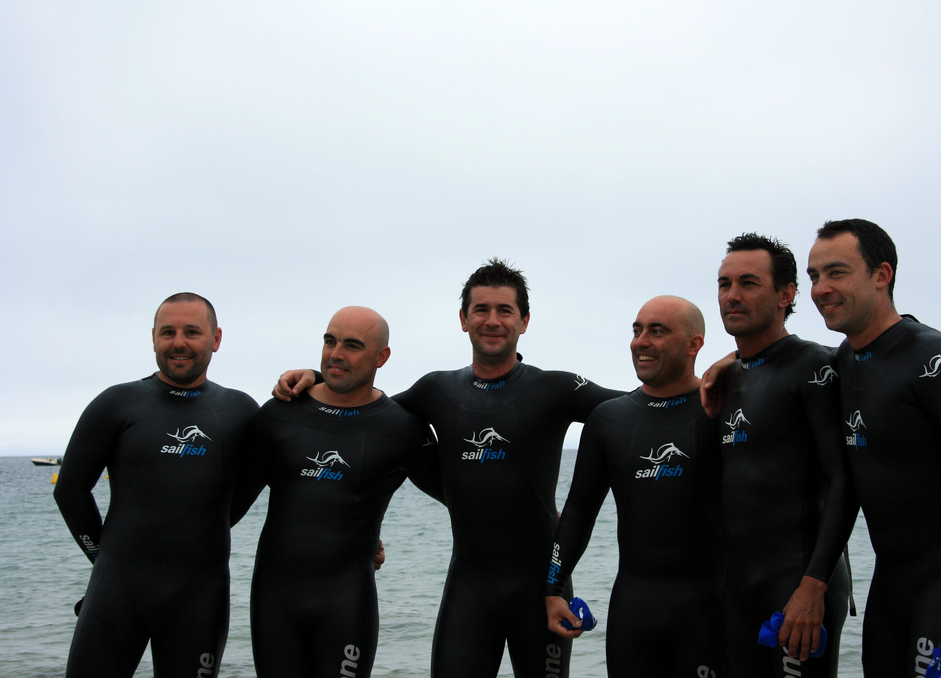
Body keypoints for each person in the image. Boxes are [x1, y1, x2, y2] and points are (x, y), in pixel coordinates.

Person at [275, 259, 624, 678]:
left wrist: (709, 379)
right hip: (469, 590)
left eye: (505, 310)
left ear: (525, 321)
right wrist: (317, 375)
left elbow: (636, 410)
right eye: (480, 309)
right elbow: (364, 411)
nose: (492, 320)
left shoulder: (555, 388)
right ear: (463, 319)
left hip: (542, 587)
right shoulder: (436, 389)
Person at [806, 219, 941, 677]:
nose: (821, 288)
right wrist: (729, 361)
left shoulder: (933, 359)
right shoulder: (844, 361)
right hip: (892, 583)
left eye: (836, 272)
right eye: (814, 276)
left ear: (882, 275)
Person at [53, 293, 259, 678]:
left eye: (192, 332)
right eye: (168, 332)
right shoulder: (117, 403)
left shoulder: (240, 412)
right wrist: (102, 559)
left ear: (215, 339)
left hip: (200, 597)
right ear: (153, 338)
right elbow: (70, 491)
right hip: (116, 590)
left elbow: (287, 468)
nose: (178, 342)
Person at [231, 306, 444, 677]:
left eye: (352, 345)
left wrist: (539, 520)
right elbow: (224, 510)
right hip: (274, 604)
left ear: (382, 357)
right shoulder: (280, 415)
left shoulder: (401, 429)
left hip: (348, 605)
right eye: (330, 341)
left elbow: (467, 499)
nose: (335, 354)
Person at [543, 296, 726, 677]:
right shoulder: (609, 420)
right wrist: (553, 589)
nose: (640, 341)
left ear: (694, 345)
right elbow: (578, 512)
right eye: (637, 330)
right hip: (632, 612)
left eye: (657, 331)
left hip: (709, 610)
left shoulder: (719, 411)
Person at [712, 233, 856, 677]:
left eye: (749, 283)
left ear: (786, 294)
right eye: (724, 283)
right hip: (738, 589)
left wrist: (813, 586)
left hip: (800, 586)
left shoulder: (816, 367)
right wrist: (727, 362)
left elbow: (844, 483)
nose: (732, 296)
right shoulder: (726, 378)